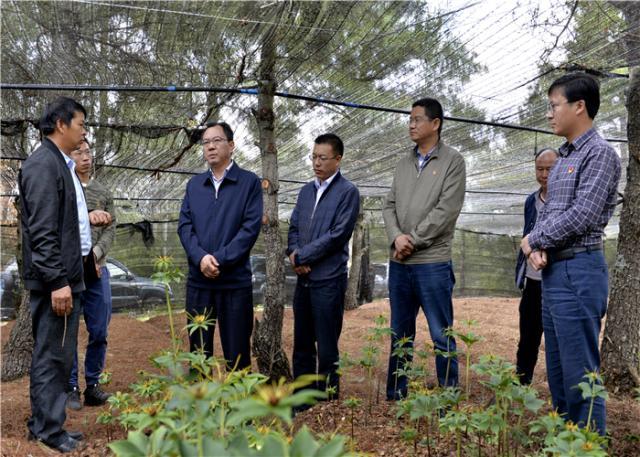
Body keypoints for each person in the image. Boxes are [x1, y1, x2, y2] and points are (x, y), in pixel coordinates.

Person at [521, 73, 621, 434]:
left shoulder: (600, 154)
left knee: (580, 368)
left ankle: (590, 443)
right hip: (553, 272)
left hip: (580, 269)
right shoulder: (563, 158)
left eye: (554, 106)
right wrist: (536, 247)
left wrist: (534, 240)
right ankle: (567, 438)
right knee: (559, 366)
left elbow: (584, 214)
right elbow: (548, 213)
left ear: (579, 106)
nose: (549, 115)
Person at [19, 97, 111, 453]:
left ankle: (45, 424)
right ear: (61, 124)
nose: (84, 131)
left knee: (56, 354)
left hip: (68, 278)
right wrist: (58, 282)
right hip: (55, 282)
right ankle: (48, 431)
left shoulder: (61, 165)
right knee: (51, 355)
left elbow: (69, 225)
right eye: (81, 124)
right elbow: (42, 232)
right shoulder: (44, 166)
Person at [383, 97, 466, 400]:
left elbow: (445, 211)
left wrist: (412, 240)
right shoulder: (403, 162)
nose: (411, 124)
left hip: (432, 263)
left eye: (417, 119)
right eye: (410, 119)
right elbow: (389, 204)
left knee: (441, 335)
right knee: (399, 335)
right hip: (400, 264)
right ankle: (395, 394)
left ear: (436, 124)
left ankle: (448, 397)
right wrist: (396, 238)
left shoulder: (453, 162)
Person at [178, 121, 262, 370]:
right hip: (199, 281)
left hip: (234, 283)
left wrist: (220, 260)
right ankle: (202, 406)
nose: (210, 147)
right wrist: (201, 258)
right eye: (206, 143)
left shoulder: (248, 183)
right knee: (198, 353)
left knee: (237, 354)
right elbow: (185, 226)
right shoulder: (194, 185)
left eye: (217, 141)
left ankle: (237, 408)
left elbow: (249, 229)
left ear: (231, 145)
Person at [287, 133, 360, 400]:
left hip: (329, 279)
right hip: (303, 279)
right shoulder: (306, 191)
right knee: (302, 343)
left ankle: (327, 401)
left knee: (327, 347)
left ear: (338, 159)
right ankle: (303, 399)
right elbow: (293, 227)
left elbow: (338, 235)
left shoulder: (347, 192)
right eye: (314, 157)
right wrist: (294, 254)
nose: (316, 163)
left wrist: (303, 256)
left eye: (323, 158)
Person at [66, 139, 115, 409]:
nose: (85, 156)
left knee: (99, 330)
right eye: (78, 151)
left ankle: (93, 385)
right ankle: (71, 386)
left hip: (98, 270)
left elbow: (112, 227)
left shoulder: (103, 191)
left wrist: (95, 255)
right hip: (72, 271)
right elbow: (64, 222)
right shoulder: (66, 188)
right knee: (70, 330)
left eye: (87, 151)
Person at [514, 147, 558, 385]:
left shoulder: (565, 200)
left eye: (549, 169)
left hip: (556, 280)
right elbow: (527, 234)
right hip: (533, 281)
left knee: (557, 338)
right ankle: (521, 383)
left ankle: (559, 388)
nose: (544, 174)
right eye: (539, 169)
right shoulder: (531, 201)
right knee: (528, 335)